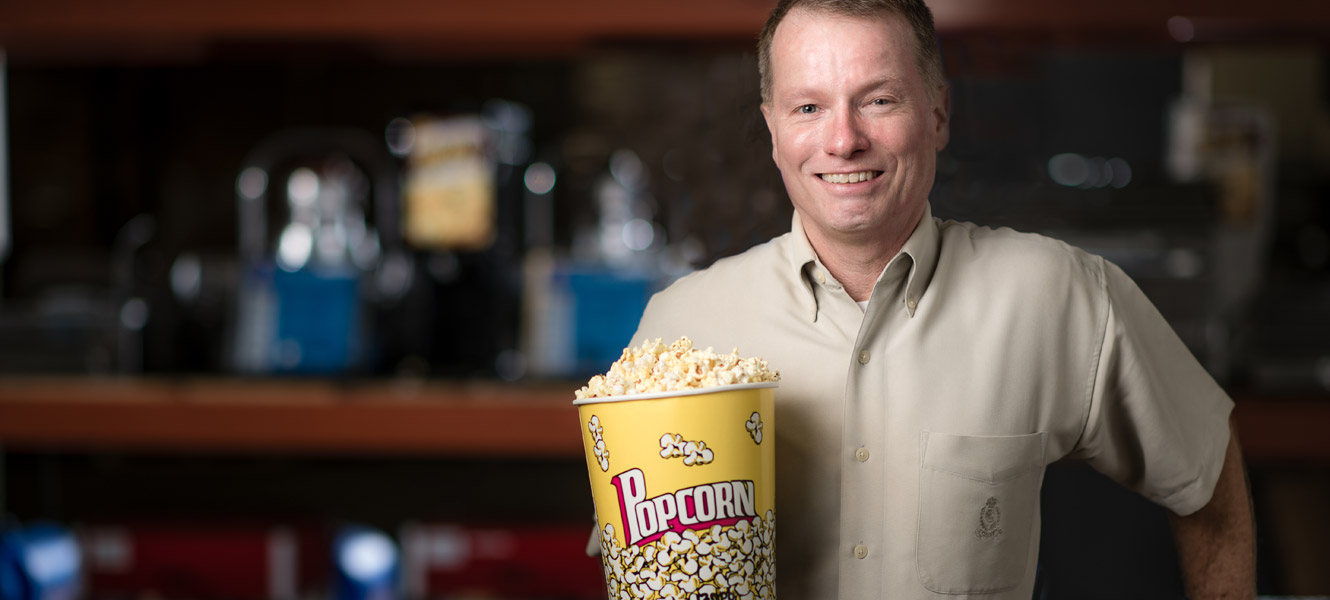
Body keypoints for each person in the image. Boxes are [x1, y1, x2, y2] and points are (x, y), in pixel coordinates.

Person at [628, 0, 1257, 597]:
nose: (844, 140)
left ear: (938, 114)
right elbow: (641, 568)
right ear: (772, 130)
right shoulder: (682, 326)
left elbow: (1205, 467)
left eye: (878, 100)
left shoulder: (1056, 295)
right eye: (808, 108)